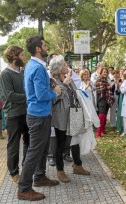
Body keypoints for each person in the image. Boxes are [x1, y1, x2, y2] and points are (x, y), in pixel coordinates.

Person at [17, 36, 61, 201]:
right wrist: (55, 93)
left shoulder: (32, 66)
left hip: (39, 114)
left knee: (41, 149)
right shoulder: (38, 68)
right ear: (37, 49)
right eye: (44, 44)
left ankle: (40, 176)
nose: (46, 46)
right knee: (34, 152)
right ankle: (24, 188)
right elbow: (41, 95)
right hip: (39, 115)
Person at [0, 45, 30, 184]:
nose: (24, 57)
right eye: (22, 55)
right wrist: (28, 96)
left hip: (27, 113)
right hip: (13, 115)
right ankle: (14, 172)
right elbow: (9, 95)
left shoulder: (23, 72)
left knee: (28, 142)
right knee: (13, 145)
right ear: (14, 57)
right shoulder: (5, 74)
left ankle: (26, 167)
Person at [49, 55, 73, 183]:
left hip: (71, 113)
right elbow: (55, 97)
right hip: (60, 115)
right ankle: (60, 170)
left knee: (71, 139)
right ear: (58, 68)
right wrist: (64, 85)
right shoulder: (53, 81)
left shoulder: (66, 78)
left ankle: (77, 165)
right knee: (60, 142)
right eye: (64, 64)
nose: (66, 66)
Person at [95, 67, 115, 137]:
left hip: (107, 99)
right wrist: (110, 86)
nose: (105, 73)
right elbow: (101, 89)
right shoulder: (99, 79)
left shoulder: (106, 80)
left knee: (105, 115)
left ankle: (103, 130)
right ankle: (98, 132)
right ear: (101, 73)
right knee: (101, 115)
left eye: (106, 72)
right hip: (101, 99)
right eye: (104, 72)